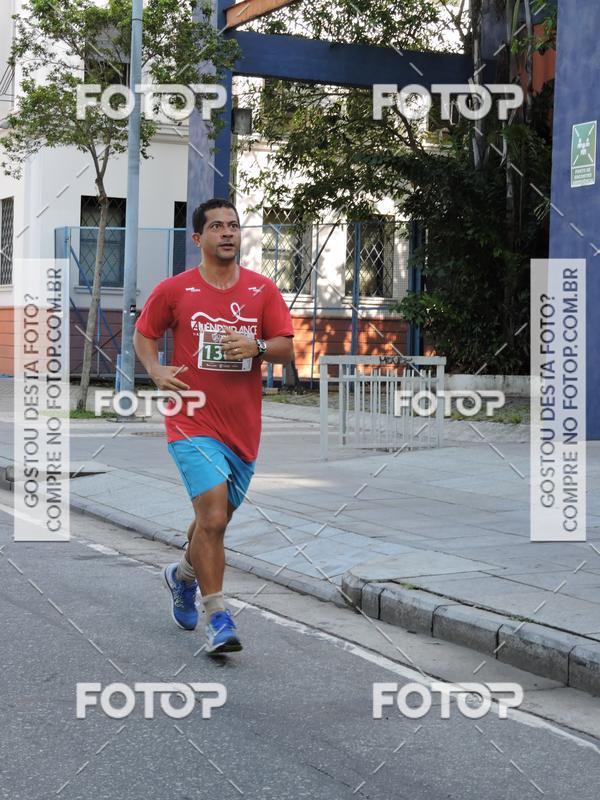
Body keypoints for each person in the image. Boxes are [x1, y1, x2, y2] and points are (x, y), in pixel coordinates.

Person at [133, 198, 295, 654]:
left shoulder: (262, 290)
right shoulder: (176, 290)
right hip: (191, 419)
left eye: (233, 226)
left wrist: (257, 345)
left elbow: (285, 346)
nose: (227, 233)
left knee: (212, 524)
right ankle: (219, 616)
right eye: (217, 226)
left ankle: (181, 577)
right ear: (198, 238)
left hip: (242, 430)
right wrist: (156, 370)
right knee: (214, 517)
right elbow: (144, 334)